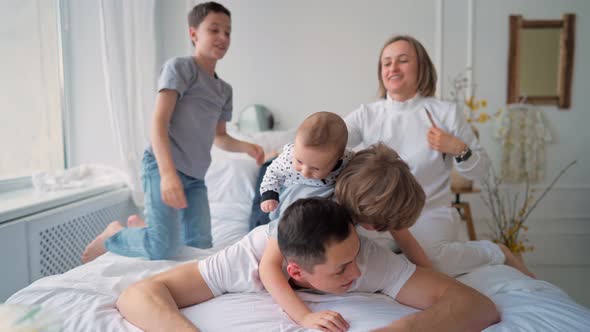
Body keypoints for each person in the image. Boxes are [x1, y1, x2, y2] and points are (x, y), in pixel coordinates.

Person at [116, 198, 500, 332]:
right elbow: (139, 294)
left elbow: (478, 305)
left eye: (354, 260)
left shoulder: (365, 256)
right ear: (296, 272)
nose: (357, 273)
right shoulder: (245, 259)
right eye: (341, 270)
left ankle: (497, 251)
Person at [82, 2, 264, 263]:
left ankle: (138, 228)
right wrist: (167, 175)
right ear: (194, 34)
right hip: (161, 166)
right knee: (162, 248)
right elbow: (158, 122)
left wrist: (246, 147)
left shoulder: (224, 90)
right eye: (214, 30)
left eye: (228, 32)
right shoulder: (180, 68)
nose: (223, 37)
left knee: (200, 248)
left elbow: (219, 136)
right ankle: (115, 234)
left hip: (195, 179)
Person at [344, 34, 534, 277]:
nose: (393, 68)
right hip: (376, 216)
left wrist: (457, 148)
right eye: (386, 62)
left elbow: (481, 171)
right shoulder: (366, 115)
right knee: (358, 259)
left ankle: (496, 252)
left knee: (430, 262)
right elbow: (330, 139)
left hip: (429, 212)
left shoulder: (446, 113)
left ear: (421, 67)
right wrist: (288, 152)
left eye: (402, 60)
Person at [256, 114, 429, 329]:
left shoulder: (362, 175)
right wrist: (304, 317)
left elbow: (400, 231)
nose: (386, 229)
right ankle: (271, 157)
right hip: (276, 198)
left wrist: (429, 271)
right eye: (383, 225)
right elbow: (268, 267)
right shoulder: (309, 210)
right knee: (267, 184)